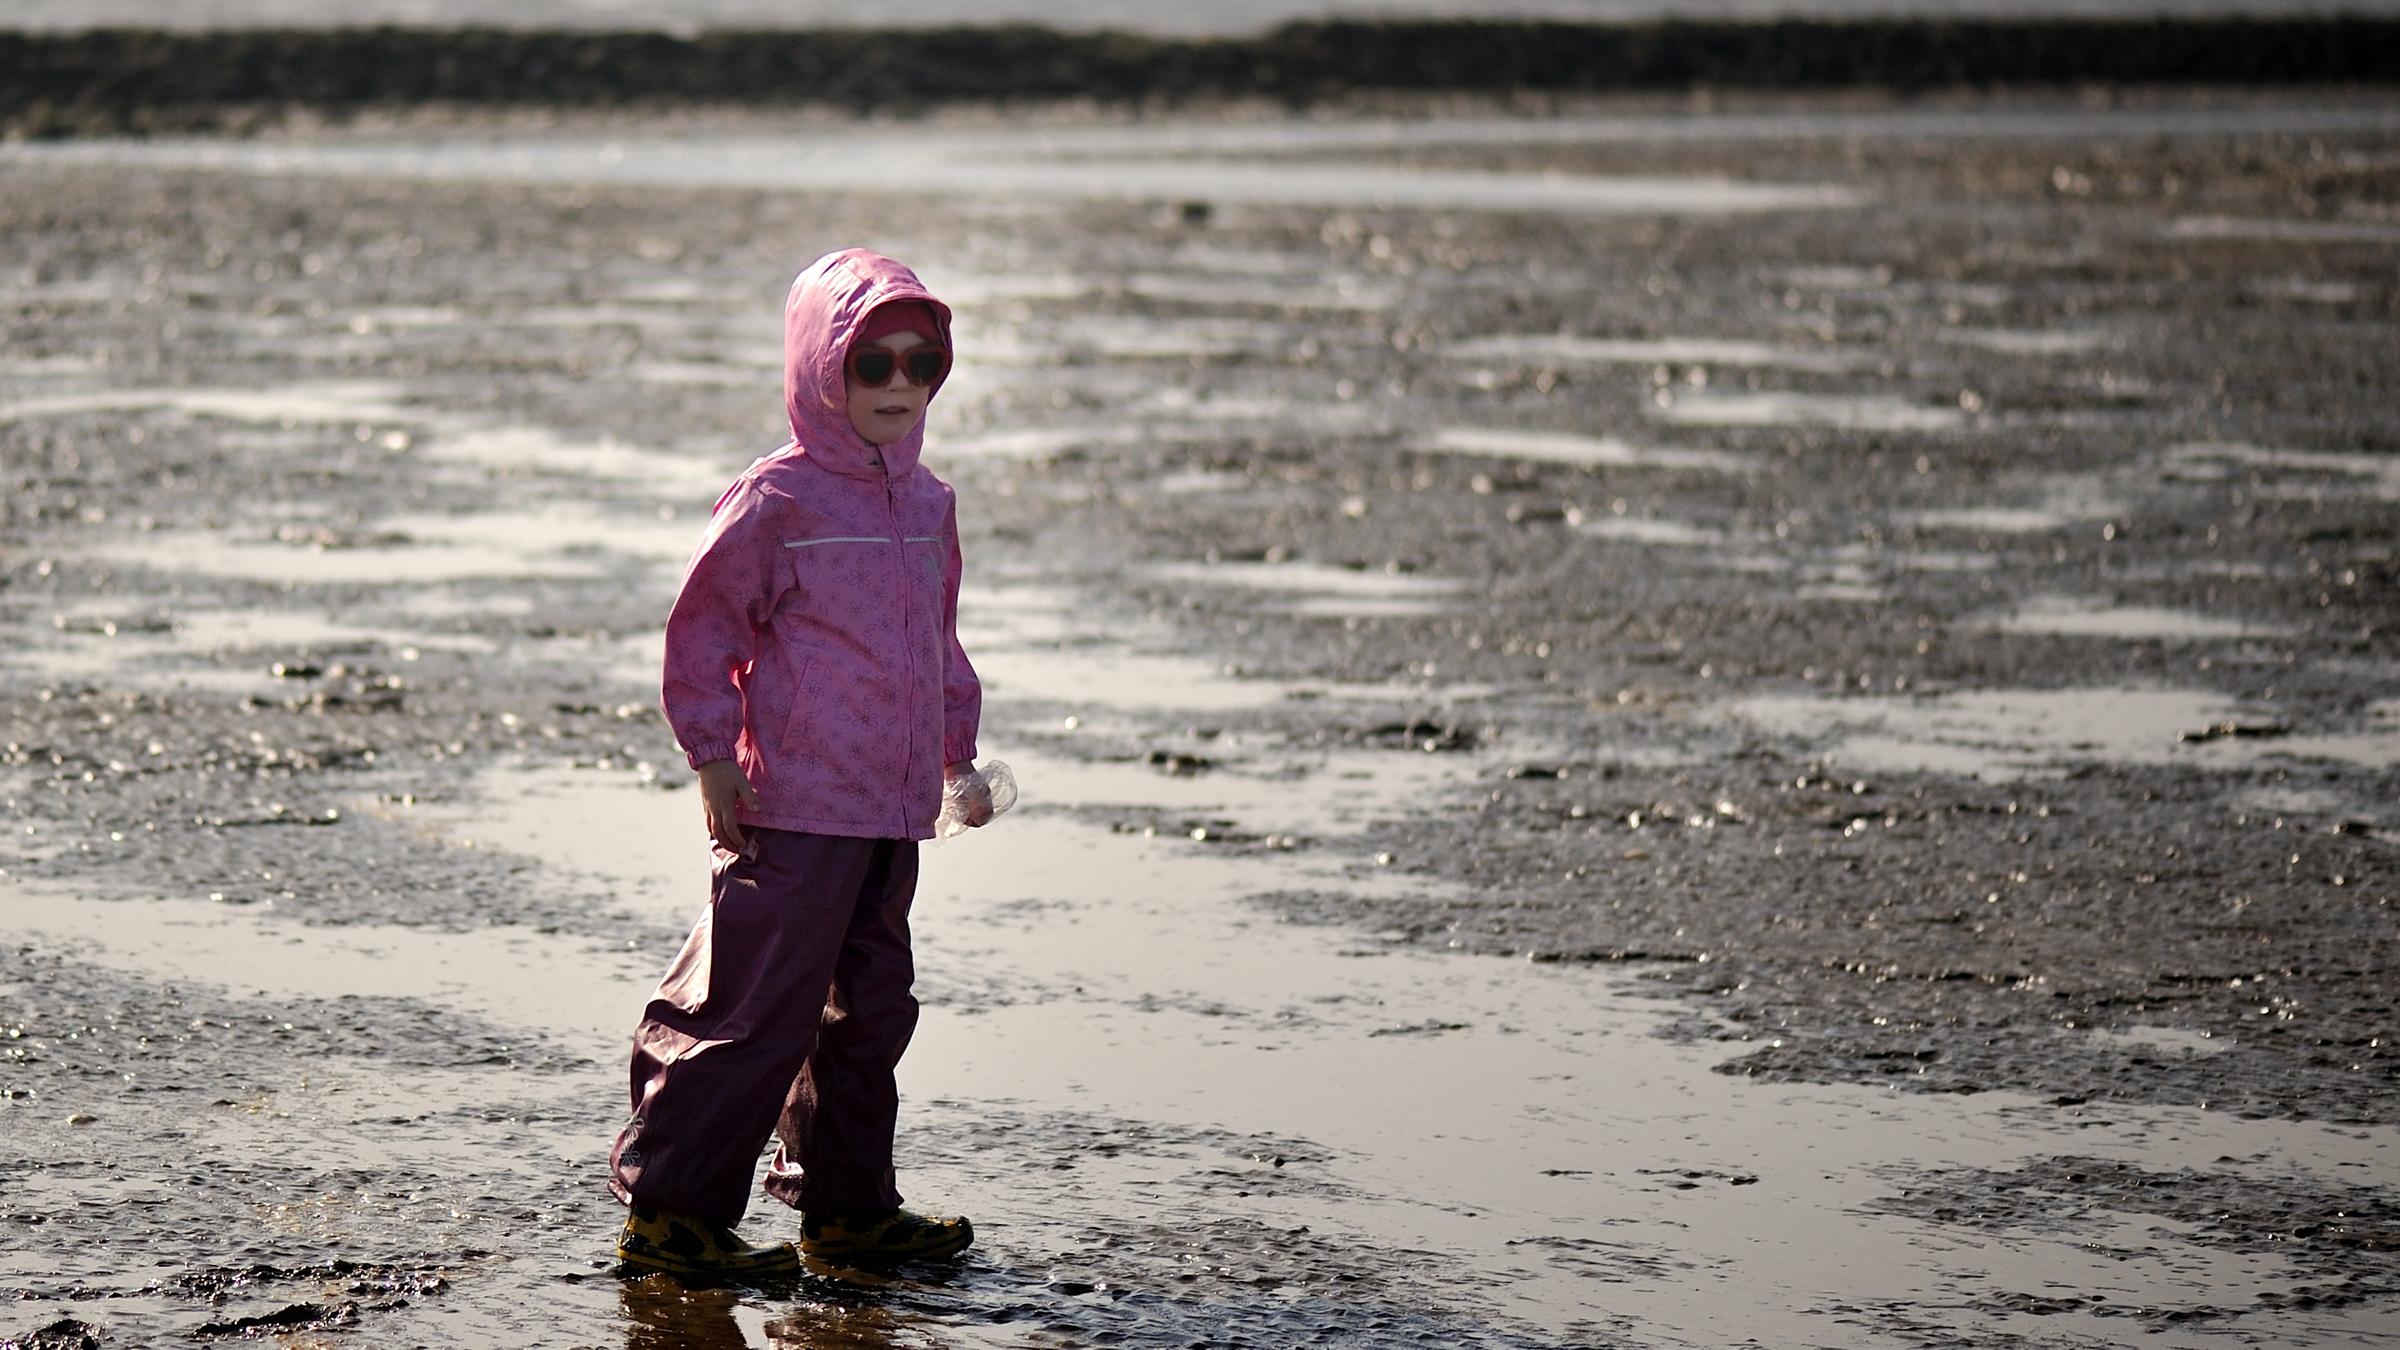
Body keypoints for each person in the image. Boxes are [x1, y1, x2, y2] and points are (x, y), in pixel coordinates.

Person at [608, 248, 993, 1278]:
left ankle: (847, 1210)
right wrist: (710, 757)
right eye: (873, 364)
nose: (900, 387)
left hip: (890, 810)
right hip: (793, 806)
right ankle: (674, 1215)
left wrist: (957, 758)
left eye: (924, 364)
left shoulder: (928, 505)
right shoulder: (778, 499)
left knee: (870, 1013)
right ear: (823, 368)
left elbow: (938, 644)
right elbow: (704, 632)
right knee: (755, 1009)